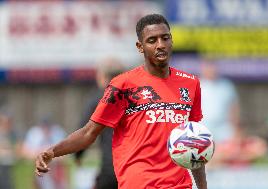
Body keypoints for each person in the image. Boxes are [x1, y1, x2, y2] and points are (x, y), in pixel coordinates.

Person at [35, 14, 208, 189]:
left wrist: (202, 187)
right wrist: (52, 152)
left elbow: (193, 142)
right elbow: (89, 133)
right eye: (152, 40)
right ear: (140, 47)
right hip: (139, 184)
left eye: (165, 38)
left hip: (179, 185)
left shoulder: (190, 83)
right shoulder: (123, 85)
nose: (160, 45)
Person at [74, 58, 124, 189]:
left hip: (110, 170)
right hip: (135, 171)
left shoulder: (98, 100)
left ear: (103, 77)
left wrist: (78, 155)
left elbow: (85, 133)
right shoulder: (136, 98)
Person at [21, 116, 68, 189]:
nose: (46, 129)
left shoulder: (58, 133)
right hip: (39, 169)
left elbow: (66, 154)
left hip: (56, 169)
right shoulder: (34, 133)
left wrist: (48, 155)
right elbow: (25, 152)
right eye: (44, 127)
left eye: (48, 127)